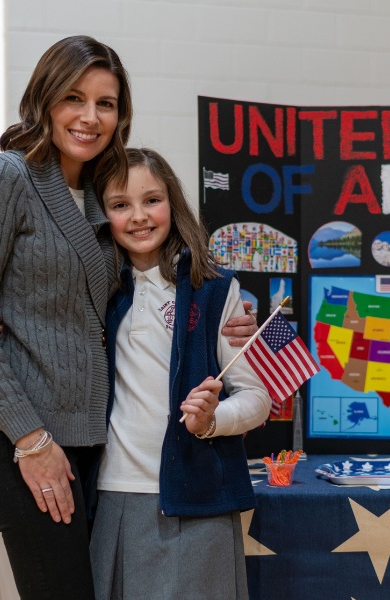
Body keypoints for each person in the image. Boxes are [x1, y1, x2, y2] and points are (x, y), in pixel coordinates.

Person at [0, 36, 255, 599]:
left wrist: (226, 316)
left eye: (105, 103)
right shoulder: (5, 177)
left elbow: (132, 288)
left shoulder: (95, 194)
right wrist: (32, 443)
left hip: (89, 442)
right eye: (73, 98)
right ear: (43, 100)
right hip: (26, 436)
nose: (89, 117)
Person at [89, 147, 271, 599]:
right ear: (101, 214)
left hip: (198, 497)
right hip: (113, 492)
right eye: (119, 205)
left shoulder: (214, 289)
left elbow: (256, 396)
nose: (139, 216)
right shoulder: (94, 288)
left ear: (173, 202)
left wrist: (212, 420)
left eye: (152, 199)